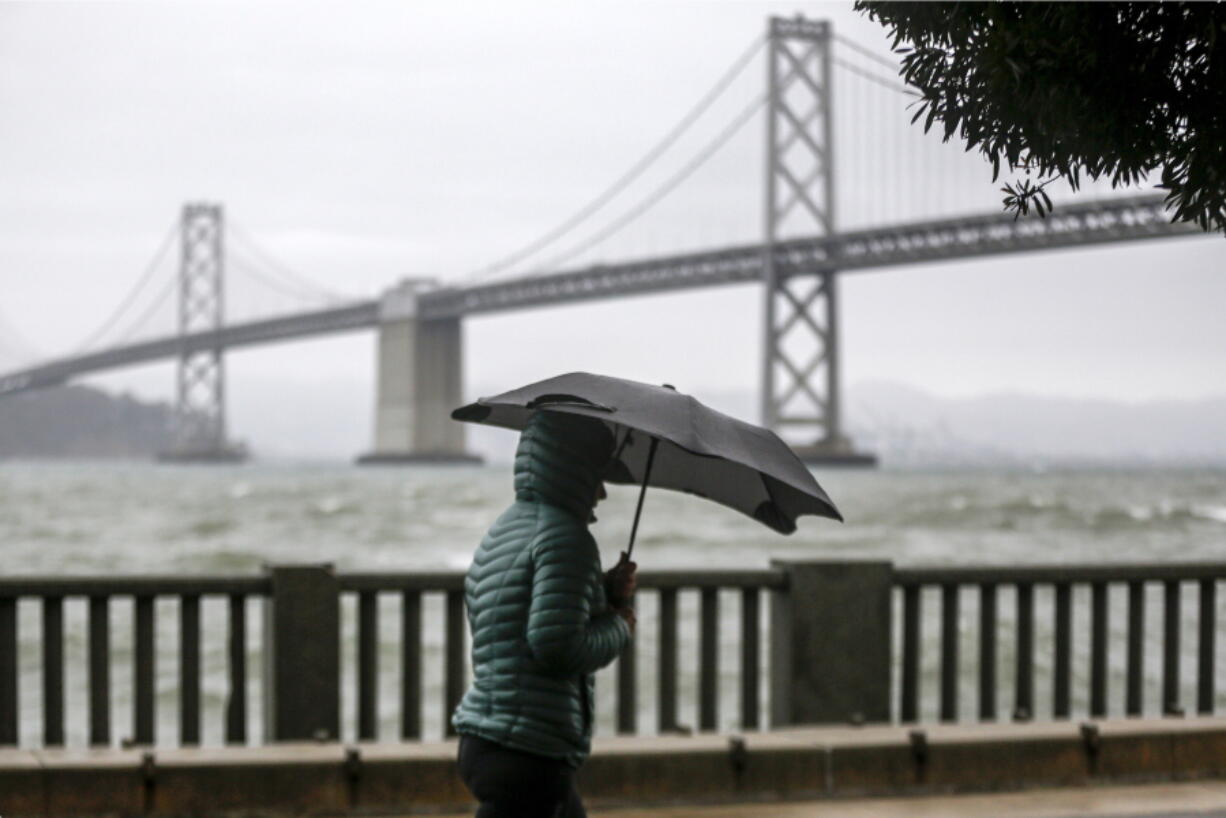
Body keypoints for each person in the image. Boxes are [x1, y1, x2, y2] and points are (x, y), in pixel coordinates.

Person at [452, 410, 637, 818]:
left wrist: (603, 593)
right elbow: (556, 645)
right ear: (575, 470)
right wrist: (619, 626)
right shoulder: (568, 539)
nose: (601, 492)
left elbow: (514, 615)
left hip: (486, 735)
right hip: (530, 750)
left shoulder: (505, 529)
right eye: (596, 473)